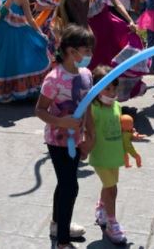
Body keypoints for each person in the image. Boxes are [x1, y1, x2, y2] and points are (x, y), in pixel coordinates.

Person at [35, 24, 95, 248]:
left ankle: (56, 223)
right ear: (71, 51)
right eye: (86, 50)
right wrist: (62, 122)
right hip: (57, 141)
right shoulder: (54, 79)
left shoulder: (87, 74)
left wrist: (90, 135)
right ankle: (62, 241)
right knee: (71, 186)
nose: (89, 55)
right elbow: (39, 110)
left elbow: (87, 106)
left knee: (64, 183)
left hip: (77, 139)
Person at [84, 65, 128, 244]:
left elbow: (120, 126)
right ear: (96, 88)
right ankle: (112, 222)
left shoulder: (117, 105)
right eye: (107, 88)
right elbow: (87, 130)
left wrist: (130, 135)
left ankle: (102, 208)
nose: (111, 92)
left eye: (114, 87)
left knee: (110, 186)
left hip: (114, 155)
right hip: (101, 156)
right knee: (112, 188)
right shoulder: (92, 108)